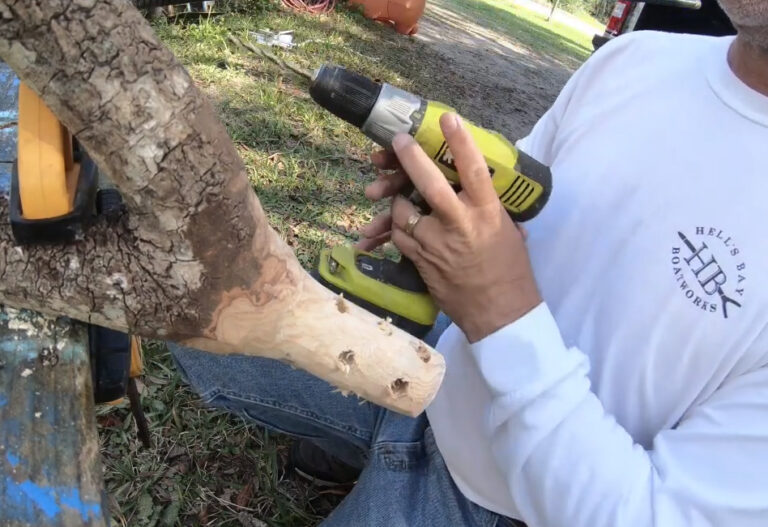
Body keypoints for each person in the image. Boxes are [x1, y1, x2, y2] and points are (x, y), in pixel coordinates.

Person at [169, 1, 768, 524]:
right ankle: (359, 446)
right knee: (193, 318)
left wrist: (500, 311)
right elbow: (523, 199)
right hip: (428, 372)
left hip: (501, 505)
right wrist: (451, 208)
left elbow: (654, 515)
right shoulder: (637, 58)